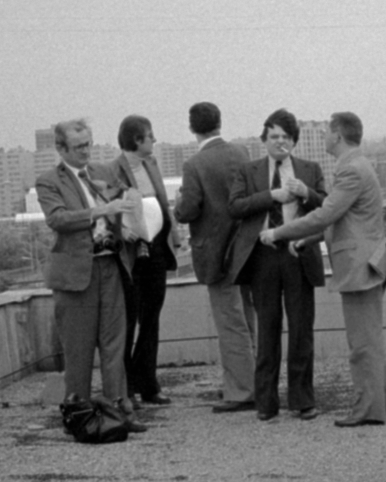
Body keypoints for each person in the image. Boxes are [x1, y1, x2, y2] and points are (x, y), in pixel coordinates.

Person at [261, 111, 386, 427]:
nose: (323, 137)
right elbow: (342, 219)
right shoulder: (357, 165)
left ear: (337, 136)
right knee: (370, 339)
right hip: (368, 260)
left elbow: (325, 214)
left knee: (362, 345)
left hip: (359, 265)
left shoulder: (351, 170)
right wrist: (307, 240)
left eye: (325, 132)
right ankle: (383, 403)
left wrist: (279, 233)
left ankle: (367, 410)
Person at [35, 119, 146, 433]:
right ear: (61, 148)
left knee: (115, 343)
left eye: (89, 144)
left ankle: (119, 411)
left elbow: (125, 201)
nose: (87, 151)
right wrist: (101, 211)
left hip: (110, 265)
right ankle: (79, 413)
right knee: (79, 348)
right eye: (79, 146)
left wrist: (130, 216)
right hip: (76, 276)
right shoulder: (48, 181)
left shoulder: (102, 173)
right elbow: (57, 219)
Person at [227, 109, 328, 422]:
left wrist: (305, 193)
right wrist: (270, 195)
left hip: (298, 255)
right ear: (264, 140)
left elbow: (327, 206)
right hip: (263, 258)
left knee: (301, 330)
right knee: (267, 329)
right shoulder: (249, 171)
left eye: (285, 137)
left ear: (294, 141)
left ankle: (302, 400)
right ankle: (266, 403)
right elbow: (235, 207)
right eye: (274, 136)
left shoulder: (310, 169)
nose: (280, 142)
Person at [173, 102, 257, 413]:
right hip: (247, 250)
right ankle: (255, 381)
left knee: (229, 323)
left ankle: (241, 391)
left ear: (192, 128)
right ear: (220, 122)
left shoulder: (194, 165)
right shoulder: (242, 153)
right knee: (249, 319)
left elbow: (189, 210)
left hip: (217, 255)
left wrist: (178, 205)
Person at [100, 114, 178, 406]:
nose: (154, 140)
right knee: (130, 317)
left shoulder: (151, 164)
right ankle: (126, 386)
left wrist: (175, 237)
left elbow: (161, 203)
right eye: (150, 135)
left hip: (157, 247)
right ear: (137, 140)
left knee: (152, 317)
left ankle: (148, 383)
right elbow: (107, 211)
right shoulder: (112, 170)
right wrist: (123, 230)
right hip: (132, 253)